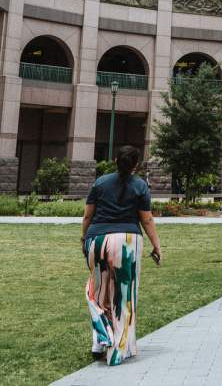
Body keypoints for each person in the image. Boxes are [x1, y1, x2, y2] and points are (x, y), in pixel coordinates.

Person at [81, 145, 161, 366]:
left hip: (96, 239)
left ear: (115, 160)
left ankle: (99, 341)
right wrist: (157, 246)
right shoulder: (140, 186)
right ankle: (118, 349)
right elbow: (147, 220)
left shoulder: (100, 183)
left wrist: (83, 239)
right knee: (124, 295)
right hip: (127, 242)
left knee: (97, 292)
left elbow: (87, 216)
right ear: (136, 164)